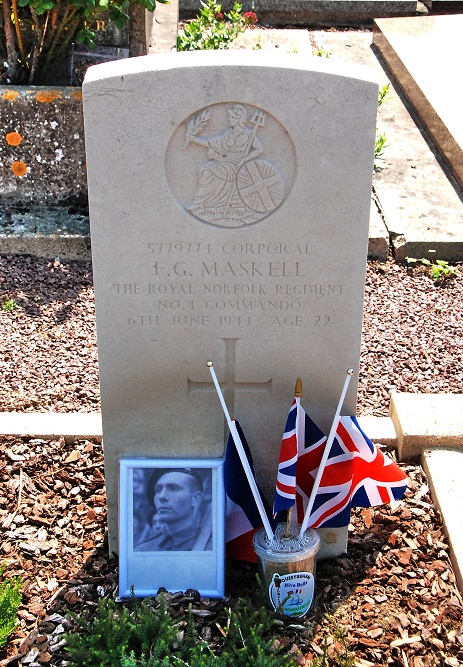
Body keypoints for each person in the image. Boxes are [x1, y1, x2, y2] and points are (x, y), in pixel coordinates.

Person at [186, 105, 263, 223]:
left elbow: (259, 149)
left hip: (238, 165)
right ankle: (204, 203)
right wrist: (194, 139)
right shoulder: (228, 134)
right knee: (206, 169)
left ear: (238, 118)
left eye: (231, 117)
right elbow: (210, 143)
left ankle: (198, 203)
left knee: (208, 171)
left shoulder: (249, 135)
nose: (229, 119)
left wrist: (245, 159)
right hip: (226, 162)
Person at [134, 468, 212, 552]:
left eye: (173, 488)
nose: (161, 496)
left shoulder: (211, 547)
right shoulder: (142, 550)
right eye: (158, 490)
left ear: (195, 499)